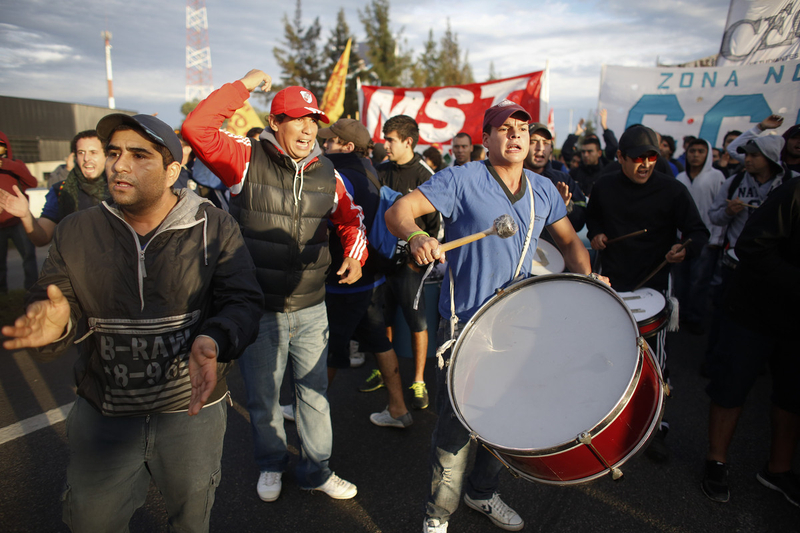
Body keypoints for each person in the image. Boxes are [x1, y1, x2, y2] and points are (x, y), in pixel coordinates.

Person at [1, 113, 263, 532]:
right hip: (104, 412)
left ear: (172, 170)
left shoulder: (213, 225)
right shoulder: (76, 230)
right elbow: (53, 298)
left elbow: (243, 300)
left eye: (139, 155)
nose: (119, 165)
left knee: (191, 521)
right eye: (115, 153)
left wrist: (215, 337)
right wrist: (53, 323)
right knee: (92, 521)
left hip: (190, 413)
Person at [385, 100, 603, 532]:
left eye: (523, 128)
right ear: (486, 138)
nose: (517, 134)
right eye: (505, 128)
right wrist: (414, 236)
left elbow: (570, 245)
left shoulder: (543, 189)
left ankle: (481, 493)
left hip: (520, 324)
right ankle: (437, 514)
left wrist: (591, 278)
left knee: (504, 418)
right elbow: (399, 212)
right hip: (467, 325)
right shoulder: (461, 179)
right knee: (456, 429)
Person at [181, 69, 366, 503]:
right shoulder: (243, 158)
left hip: (311, 306)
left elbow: (351, 218)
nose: (307, 128)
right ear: (275, 123)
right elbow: (196, 127)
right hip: (258, 309)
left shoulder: (329, 173)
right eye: (298, 119)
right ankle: (270, 464)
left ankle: (317, 470)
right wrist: (242, 86)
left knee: (314, 395)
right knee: (264, 399)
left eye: (313, 120)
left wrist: (355, 258)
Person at [586, 125, 709, 462]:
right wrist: (596, 234)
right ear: (620, 157)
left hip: (653, 285)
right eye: (637, 158)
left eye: (652, 157)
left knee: (654, 359)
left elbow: (698, 233)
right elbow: (592, 217)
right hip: (612, 281)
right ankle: (609, 421)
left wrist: (683, 249)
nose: (645, 164)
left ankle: (657, 426)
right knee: (608, 353)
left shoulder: (672, 190)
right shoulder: (605, 185)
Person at [702, 177, 800, 507]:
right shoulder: (792, 192)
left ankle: (778, 470)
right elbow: (751, 246)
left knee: (790, 396)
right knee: (732, 387)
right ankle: (716, 461)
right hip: (752, 313)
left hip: (794, 321)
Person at [316, 118, 413, 428]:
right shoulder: (369, 168)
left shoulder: (339, 172)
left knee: (330, 346)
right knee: (377, 341)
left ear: (346, 146)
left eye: (329, 141)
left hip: (346, 275)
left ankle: (309, 408)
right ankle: (398, 408)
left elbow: (331, 220)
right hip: (372, 273)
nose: (324, 146)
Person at [705, 115, 797, 364]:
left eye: (754, 155)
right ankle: (715, 362)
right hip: (735, 266)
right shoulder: (734, 181)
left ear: (768, 158)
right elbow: (714, 216)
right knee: (726, 318)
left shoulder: (789, 185)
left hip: (772, 269)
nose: (746, 159)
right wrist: (728, 212)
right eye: (746, 155)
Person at [375, 115, 440, 410]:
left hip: (410, 264)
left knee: (418, 322)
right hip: (379, 263)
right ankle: (384, 369)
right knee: (382, 320)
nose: (384, 145)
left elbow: (437, 225)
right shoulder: (379, 170)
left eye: (390, 140)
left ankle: (418, 380)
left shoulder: (426, 175)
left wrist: (419, 260)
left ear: (408, 142)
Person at [0, 130, 109, 246]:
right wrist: (26, 215)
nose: (86, 158)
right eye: (81, 152)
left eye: (93, 152)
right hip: (75, 262)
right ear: (75, 157)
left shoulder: (119, 189)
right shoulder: (60, 190)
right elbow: (42, 238)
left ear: (106, 155)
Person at [673, 138, 726, 334]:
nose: (695, 155)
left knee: (700, 282)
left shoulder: (716, 177)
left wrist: (717, 239)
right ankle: (682, 316)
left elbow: (720, 210)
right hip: (681, 239)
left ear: (708, 154)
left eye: (700, 151)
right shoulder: (680, 178)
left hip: (707, 240)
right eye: (692, 151)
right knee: (682, 281)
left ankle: (695, 319)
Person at [523, 122, 586, 232]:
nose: (540, 147)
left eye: (546, 143)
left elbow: (579, 223)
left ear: (551, 148)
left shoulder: (564, 180)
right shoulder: (511, 178)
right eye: (533, 142)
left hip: (552, 248)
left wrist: (566, 208)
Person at [0, 131, 38, 293]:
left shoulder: (15, 164)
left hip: (19, 221)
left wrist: (6, 164)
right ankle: (2, 294)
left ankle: (33, 290)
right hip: (0, 225)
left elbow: (33, 182)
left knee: (29, 257)